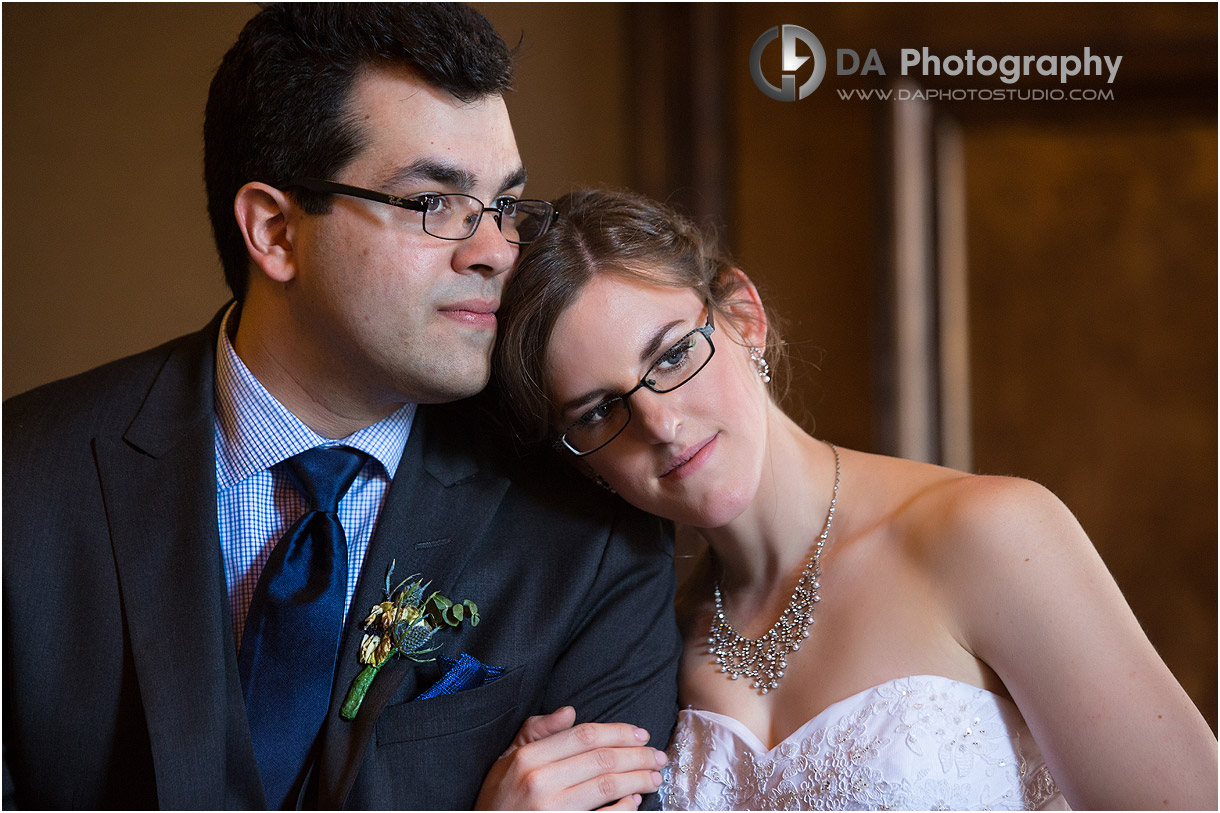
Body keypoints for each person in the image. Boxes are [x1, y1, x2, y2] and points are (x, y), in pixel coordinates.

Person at [2, 6, 680, 810]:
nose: (496, 250)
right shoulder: (24, 484)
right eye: (435, 201)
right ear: (276, 231)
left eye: (505, 205)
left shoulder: (591, 523)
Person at [492, 188, 1219, 810]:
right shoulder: (659, 644)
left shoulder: (987, 535)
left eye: (674, 354)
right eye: (598, 411)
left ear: (743, 317)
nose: (660, 422)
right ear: (583, 462)